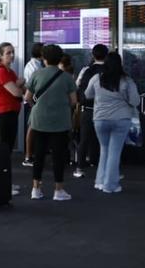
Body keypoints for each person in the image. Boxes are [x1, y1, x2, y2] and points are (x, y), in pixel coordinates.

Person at [25, 44, 77, 200]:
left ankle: (36, 189)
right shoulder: (67, 77)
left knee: (39, 154)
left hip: (39, 119)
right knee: (58, 156)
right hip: (60, 121)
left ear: (44, 58)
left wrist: (37, 107)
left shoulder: (36, 74)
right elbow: (74, 101)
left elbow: (27, 97)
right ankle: (58, 190)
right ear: (60, 58)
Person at [84, 53, 139, 194]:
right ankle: (110, 185)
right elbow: (135, 101)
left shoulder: (96, 79)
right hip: (121, 119)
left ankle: (100, 181)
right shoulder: (127, 80)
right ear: (120, 64)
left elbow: (87, 95)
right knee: (114, 152)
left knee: (104, 149)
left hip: (100, 119)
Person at [73, 44, 108, 179]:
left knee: (84, 139)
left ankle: (80, 167)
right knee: (105, 141)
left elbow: (78, 86)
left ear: (93, 55)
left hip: (88, 109)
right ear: (106, 55)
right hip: (106, 110)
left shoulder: (86, 70)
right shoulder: (110, 70)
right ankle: (104, 167)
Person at [0, 42, 25, 154]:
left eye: (13, 52)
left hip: (12, 112)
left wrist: (19, 85)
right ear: (1, 56)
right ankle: (1, 170)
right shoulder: (1, 71)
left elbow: (22, 90)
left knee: (8, 146)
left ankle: (4, 169)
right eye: (8, 53)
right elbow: (17, 93)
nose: (12, 55)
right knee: (4, 146)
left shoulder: (11, 72)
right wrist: (18, 84)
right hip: (4, 113)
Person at [22, 43, 45, 166]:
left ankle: (32, 154)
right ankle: (28, 156)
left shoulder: (37, 65)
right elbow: (33, 86)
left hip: (36, 100)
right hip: (33, 101)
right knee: (31, 128)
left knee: (35, 129)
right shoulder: (32, 66)